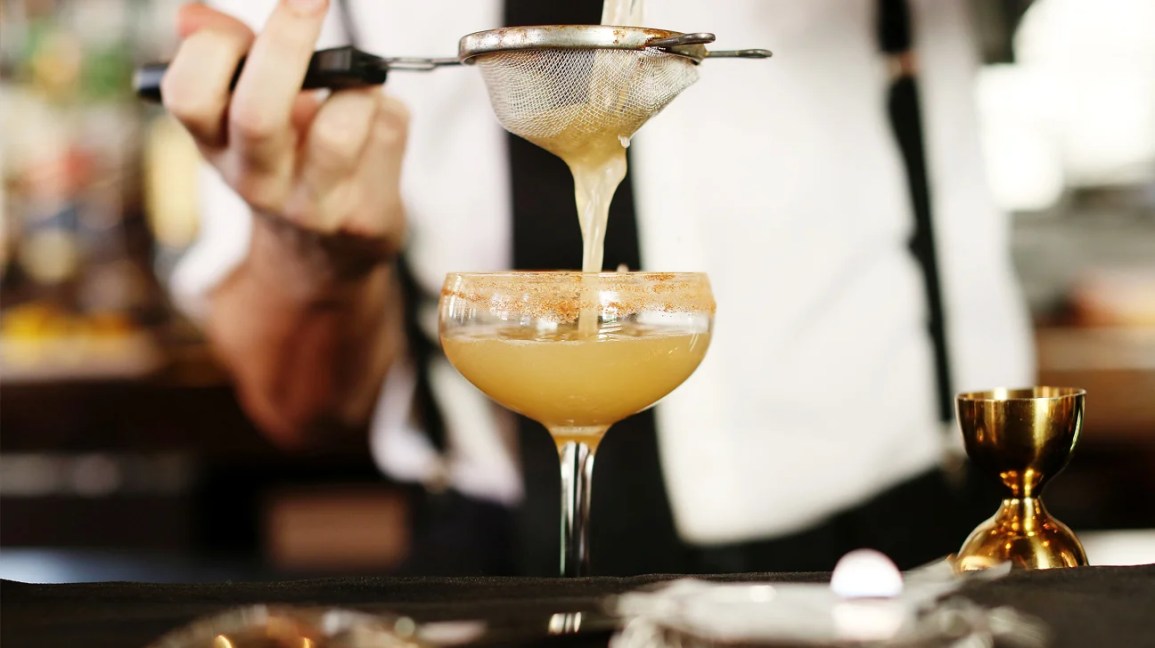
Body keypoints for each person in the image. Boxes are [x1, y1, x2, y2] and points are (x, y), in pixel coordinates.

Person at [163, 0, 1034, 575]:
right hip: (492, 559)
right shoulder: (299, 21)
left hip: (883, 555)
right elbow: (297, 406)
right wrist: (313, 254)